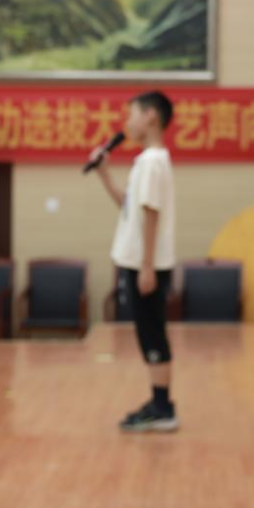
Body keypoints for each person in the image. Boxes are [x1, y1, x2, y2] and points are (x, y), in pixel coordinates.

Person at [90, 91, 179, 433]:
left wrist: (146, 266)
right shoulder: (146, 161)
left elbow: (151, 214)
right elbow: (131, 208)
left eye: (133, 114)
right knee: (148, 332)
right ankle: (159, 402)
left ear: (151, 116)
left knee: (153, 333)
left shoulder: (154, 161)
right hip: (140, 262)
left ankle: (163, 407)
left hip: (146, 265)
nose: (127, 122)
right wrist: (104, 175)